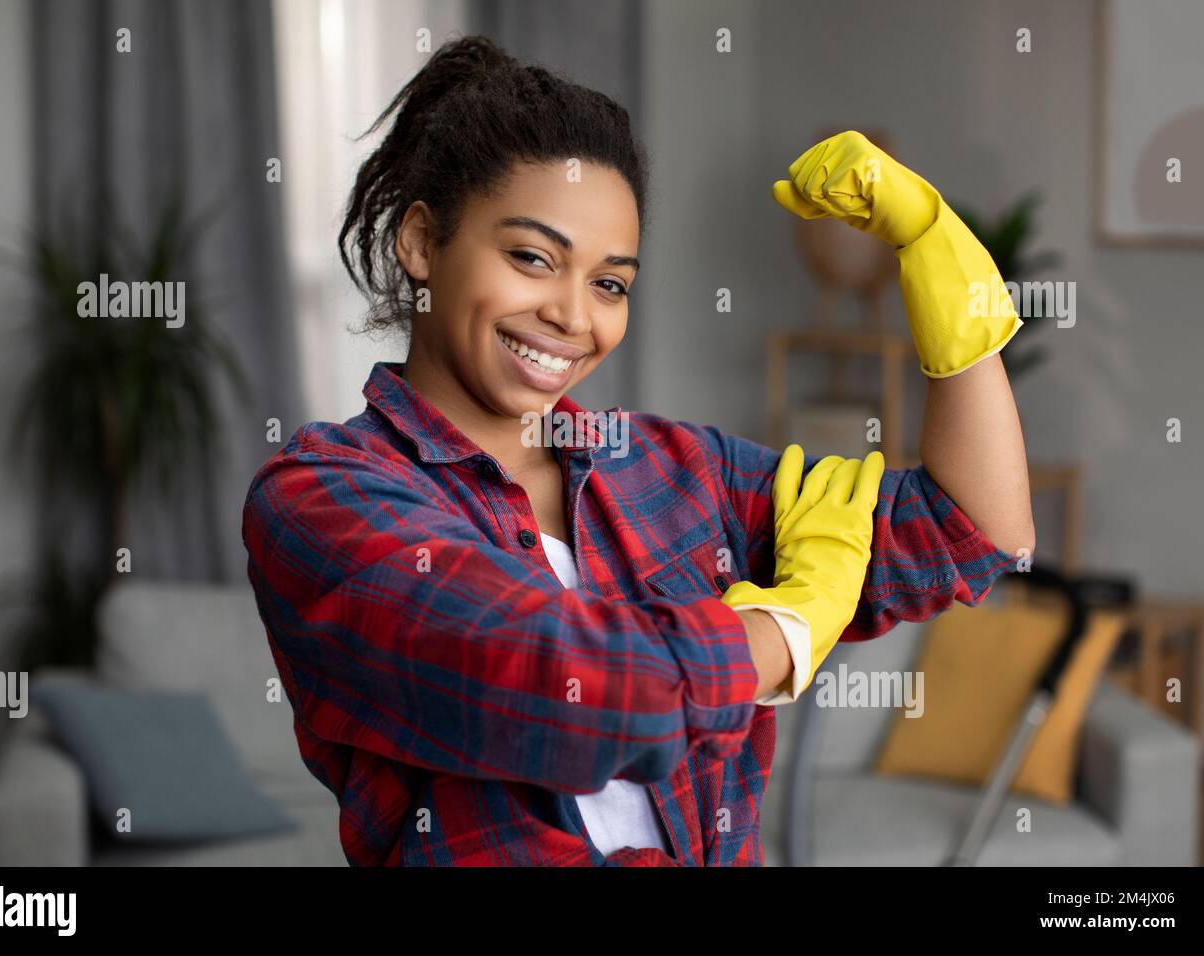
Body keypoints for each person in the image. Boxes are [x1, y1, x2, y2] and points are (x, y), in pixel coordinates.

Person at [241, 35, 1035, 866]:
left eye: (610, 282)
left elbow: (974, 527)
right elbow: (575, 696)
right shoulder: (321, 501)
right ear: (420, 243)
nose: (572, 316)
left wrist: (939, 258)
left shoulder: (674, 471)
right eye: (532, 258)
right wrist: (791, 625)